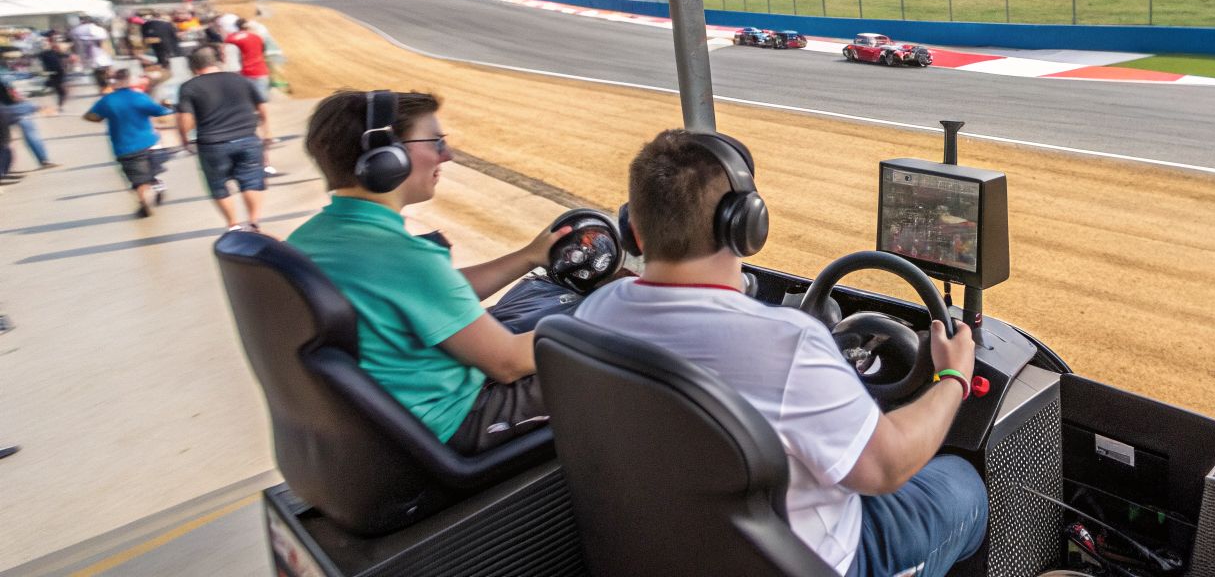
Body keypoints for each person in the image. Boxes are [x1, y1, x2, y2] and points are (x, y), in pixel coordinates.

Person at [575, 130, 987, 577]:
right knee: (964, 485)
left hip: (664, 550)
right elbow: (885, 469)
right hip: (818, 562)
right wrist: (953, 378)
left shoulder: (595, 314)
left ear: (632, 229)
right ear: (747, 226)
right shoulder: (786, 344)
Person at [286, 90, 576, 453]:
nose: (447, 155)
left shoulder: (312, 239)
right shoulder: (402, 257)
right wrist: (608, 322)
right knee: (610, 364)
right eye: (435, 141)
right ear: (385, 157)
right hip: (454, 422)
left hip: (388, 422)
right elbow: (509, 362)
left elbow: (436, 297)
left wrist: (529, 257)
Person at [175, 46, 269, 230]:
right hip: (247, 138)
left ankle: (233, 224)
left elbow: (186, 118)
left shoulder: (189, 87)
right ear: (217, 61)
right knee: (252, 180)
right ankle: (253, 221)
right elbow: (262, 107)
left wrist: (184, 139)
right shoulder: (240, 80)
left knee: (218, 185)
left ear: (193, 66)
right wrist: (266, 131)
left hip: (212, 144)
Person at [83, 68, 172, 217]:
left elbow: (90, 116)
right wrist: (167, 106)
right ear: (130, 80)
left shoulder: (107, 100)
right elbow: (160, 112)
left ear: (114, 82)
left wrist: (103, 117)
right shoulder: (138, 97)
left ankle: (144, 201)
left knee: (138, 180)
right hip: (150, 142)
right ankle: (157, 186)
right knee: (150, 172)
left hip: (125, 147)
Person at [1, 76, 55, 169]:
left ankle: (4, 169)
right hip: (9, 111)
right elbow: (13, 96)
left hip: (7, 110)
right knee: (27, 127)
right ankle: (43, 160)